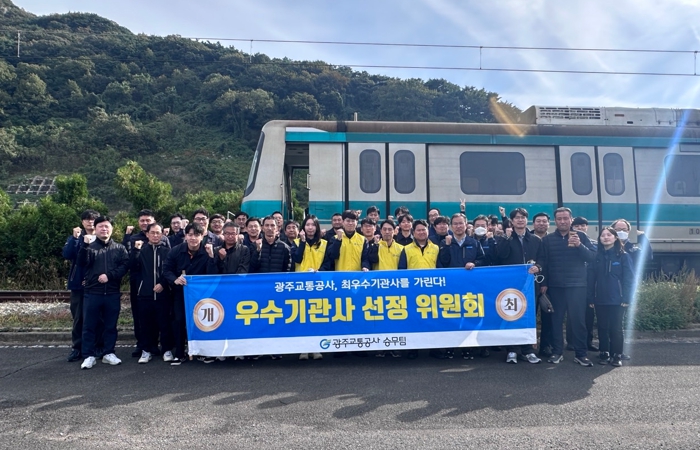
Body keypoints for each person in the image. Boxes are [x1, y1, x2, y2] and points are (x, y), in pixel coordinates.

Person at [538, 207, 597, 366]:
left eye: (565, 218)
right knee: (556, 321)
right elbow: (544, 262)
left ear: (571, 220)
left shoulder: (581, 237)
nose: (562, 221)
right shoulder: (547, 240)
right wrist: (544, 283)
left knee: (578, 322)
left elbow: (592, 257)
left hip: (577, 286)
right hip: (555, 286)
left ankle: (581, 354)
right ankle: (557, 352)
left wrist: (579, 245)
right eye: (559, 219)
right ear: (555, 221)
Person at [78, 216, 129, 370]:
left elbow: (125, 266)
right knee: (89, 326)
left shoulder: (119, 248)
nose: (104, 229)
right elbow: (81, 263)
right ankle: (88, 355)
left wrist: (110, 276)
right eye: (100, 226)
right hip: (92, 293)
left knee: (110, 326)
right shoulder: (89, 247)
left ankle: (109, 353)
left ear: (112, 229)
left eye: (107, 226)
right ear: (95, 229)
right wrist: (84, 246)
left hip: (112, 293)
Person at [163, 222, 216, 365]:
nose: (193, 238)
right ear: (185, 236)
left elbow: (212, 274)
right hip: (180, 293)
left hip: (201, 295)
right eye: (190, 235)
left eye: (196, 235)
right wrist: (175, 279)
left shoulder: (207, 251)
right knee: (179, 320)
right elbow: (166, 270)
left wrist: (211, 257)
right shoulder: (176, 251)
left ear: (202, 236)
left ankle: (203, 352)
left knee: (202, 321)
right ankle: (180, 353)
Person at [495, 208, 543, 364]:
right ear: (512, 221)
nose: (520, 220)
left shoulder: (536, 240)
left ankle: (528, 350)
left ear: (526, 220)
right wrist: (506, 238)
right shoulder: (505, 238)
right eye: (517, 218)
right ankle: (512, 350)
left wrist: (538, 267)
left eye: (523, 217)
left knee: (529, 316)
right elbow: (500, 256)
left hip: (530, 285)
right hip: (511, 285)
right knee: (511, 315)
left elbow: (543, 259)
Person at [123, 209, 171, 358]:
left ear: (162, 234)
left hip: (163, 292)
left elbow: (170, 269)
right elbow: (132, 266)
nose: (155, 235)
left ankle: (165, 349)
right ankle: (145, 349)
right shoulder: (139, 248)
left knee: (164, 322)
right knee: (144, 322)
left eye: (158, 233)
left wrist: (163, 284)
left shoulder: (167, 250)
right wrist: (135, 251)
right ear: (147, 234)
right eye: (152, 233)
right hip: (143, 292)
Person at [437, 213, 485, 359]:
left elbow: (483, 260)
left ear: (466, 225)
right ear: (451, 226)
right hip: (451, 286)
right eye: (455, 224)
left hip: (470, 286)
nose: (458, 226)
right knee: (451, 317)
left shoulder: (474, 243)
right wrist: (446, 246)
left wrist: (474, 264)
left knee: (468, 317)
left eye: (461, 223)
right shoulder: (444, 242)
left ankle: (467, 348)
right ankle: (450, 347)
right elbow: (443, 262)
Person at [588, 227, 634, 367]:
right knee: (602, 327)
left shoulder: (623, 256)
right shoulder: (596, 257)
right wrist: (591, 298)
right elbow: (591, 279)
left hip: (618, 299)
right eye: (603, 235)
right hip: (600, 298)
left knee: (616, 328)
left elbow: (629, 279)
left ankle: (617, 355)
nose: (606, 237)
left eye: (609, 235)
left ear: (615, 238)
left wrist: (627, 298)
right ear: (599, 239)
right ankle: (604, 352)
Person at [63, 209, 101, 362]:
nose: (90, 222)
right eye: (87, 219)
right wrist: (74, 238)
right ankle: (77, 348)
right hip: (78, 285)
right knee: (78, 318)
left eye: (93, 219)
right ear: (82, 222)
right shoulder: (76, 238)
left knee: (98, 318)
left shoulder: (102, 237)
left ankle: (97, 346)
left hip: (97, 284)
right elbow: (67, 254)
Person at [398, 219, 439, 359]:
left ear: (428, 231)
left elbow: (441, 268)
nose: (421, 232)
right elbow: (402, 270)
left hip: (432, 291)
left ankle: (434, 349)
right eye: (418, 230)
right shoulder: (406, 249)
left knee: (432, 321)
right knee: (413, 321)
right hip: (413, 292)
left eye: (424, 230)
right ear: (413, 232)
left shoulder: (436, 248)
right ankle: (413, 349)